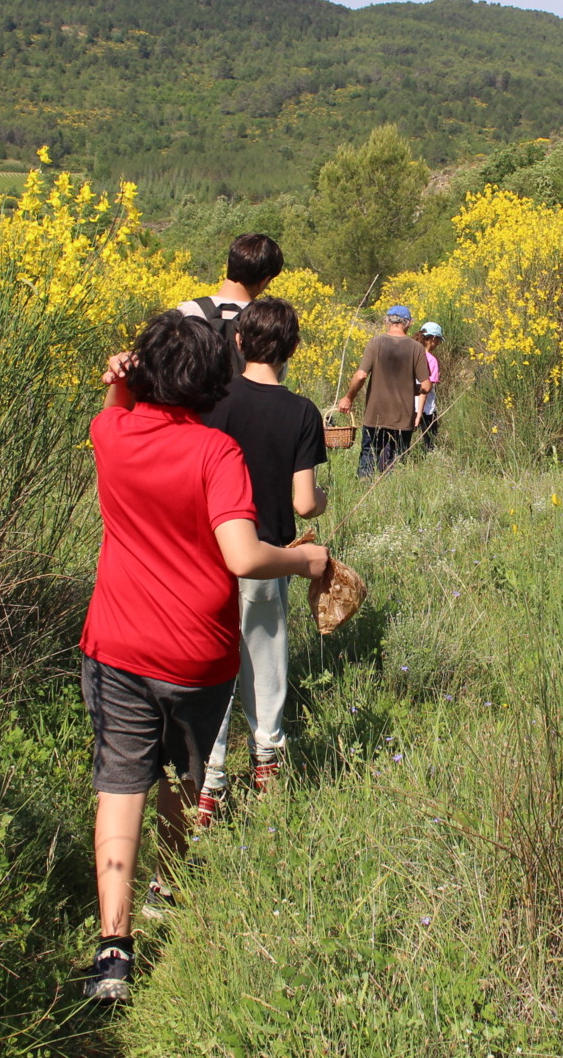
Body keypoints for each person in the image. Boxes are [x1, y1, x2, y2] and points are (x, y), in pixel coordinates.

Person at [81, 311, 328, 1004]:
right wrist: (306, 559)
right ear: (215, 378)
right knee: (183, 776)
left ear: (147, 371)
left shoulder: (112, 433)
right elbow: (243, 555)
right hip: (197, 654)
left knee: (121, 784)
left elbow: (114, 411)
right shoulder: (215, 453)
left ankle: (114, 947)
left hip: (118, 645)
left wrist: (121, 380)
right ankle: (167, 885)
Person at [195, 297, 327, 821]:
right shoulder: (302, 412)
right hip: (270, 554)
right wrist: (322, 501)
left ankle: (208, 785)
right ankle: (267, 766)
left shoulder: (213, 402)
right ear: (292, 348)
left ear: (238, 341)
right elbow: (304, 503)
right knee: (265, 664)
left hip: (211, 553)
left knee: (212, 671)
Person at [336, 304, 430, 476]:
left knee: (369, 454)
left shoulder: (375, 343)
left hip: (375, 415)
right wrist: (411, 388)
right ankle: (391, 490)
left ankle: (365, 485)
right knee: (396, 462)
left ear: (387, 321)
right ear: (409, 323)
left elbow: (361, 376)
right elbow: (426, 386)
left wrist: (348, 398)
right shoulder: (416, 348)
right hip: (403, 418)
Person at [177, 232, 284, 371]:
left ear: (228, 263)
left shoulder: (187, 312)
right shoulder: (269, 321)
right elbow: (277, 374)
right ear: (265, 280)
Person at [413, 321, 444, 452]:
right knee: (430, 441)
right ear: (433, 338)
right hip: (426, 408)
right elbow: (425, 390)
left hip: (407, 404)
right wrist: (419, 414)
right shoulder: (431, 360)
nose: (438, 344)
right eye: (438, 340)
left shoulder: (411, 355)